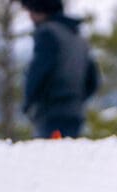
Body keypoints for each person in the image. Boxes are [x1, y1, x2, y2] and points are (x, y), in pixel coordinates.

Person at [20, 0, 100, 140]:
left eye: (32, 11)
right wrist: (76, 100)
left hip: (51, 113)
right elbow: (92, 81)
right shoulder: (78, 38)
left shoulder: (48, 34)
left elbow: (39, 71)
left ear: (41, 11)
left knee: (49, 158)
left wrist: (29, 102)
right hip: (75, 114)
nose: (30, 17)